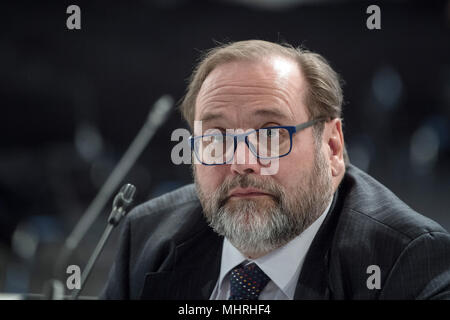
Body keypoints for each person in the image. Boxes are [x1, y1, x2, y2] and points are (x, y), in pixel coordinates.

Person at [102, 40, 450, 300]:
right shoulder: (147, 236)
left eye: (270, 135)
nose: (241, 162)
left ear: (331, 147)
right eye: (217, 138)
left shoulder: (408, 260)